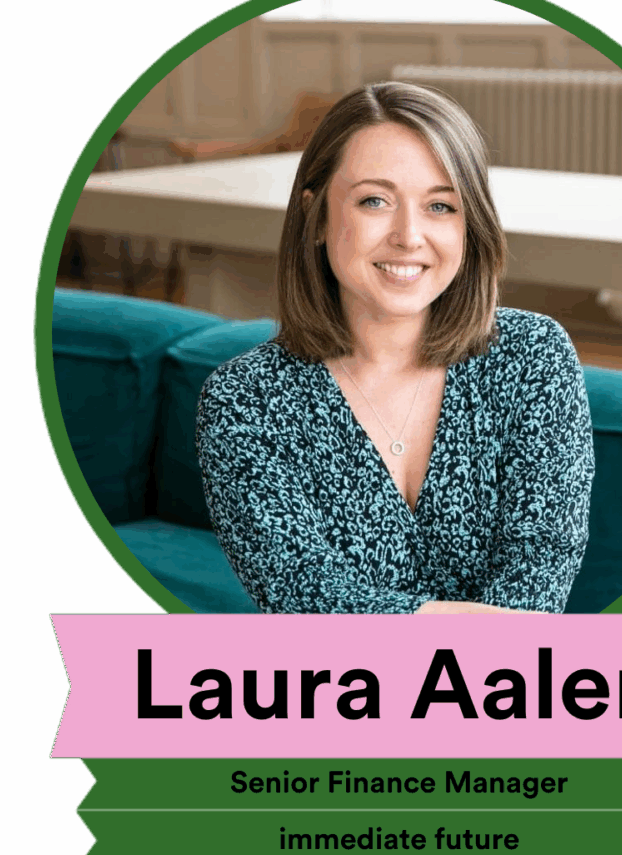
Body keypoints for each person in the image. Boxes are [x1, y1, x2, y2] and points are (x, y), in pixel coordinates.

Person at [196, 82, 594, 614]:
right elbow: (307, 600)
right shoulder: (245, 400)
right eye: (374, 201)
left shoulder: (533, 357)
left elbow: (537, 581)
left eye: (440, 206)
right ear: (316, 217)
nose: (409, 236)